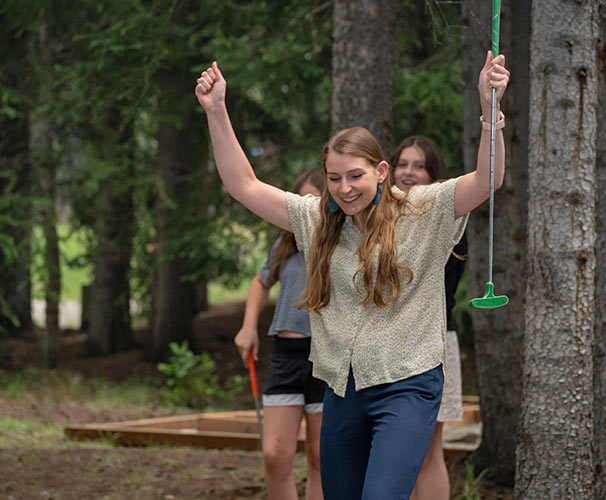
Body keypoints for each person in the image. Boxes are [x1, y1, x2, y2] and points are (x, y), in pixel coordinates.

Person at [195, 51, 509, 500]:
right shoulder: (317, 219)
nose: (345, 188)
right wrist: (217, 111)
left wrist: (489, 109)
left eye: (356, 176)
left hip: (408, 385)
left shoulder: (422, 210)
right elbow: (243, 185)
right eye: (335, 178)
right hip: (343, 390)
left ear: (381, 171)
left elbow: (488, 179)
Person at [234, 168, 326, 500]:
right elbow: (261, 282)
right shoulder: (284, 244)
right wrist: (248, 327)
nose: (305, 207)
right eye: (299, 199)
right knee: (274, 455)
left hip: (325, 358)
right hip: (285, 356)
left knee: (320, 457)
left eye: (313, 200)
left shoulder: (338, 244)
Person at [390, 136, 468, 500]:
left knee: (427, 454)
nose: (408, 172)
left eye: (418, 166)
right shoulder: (380, 216)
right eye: (403, 164)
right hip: (387, 347)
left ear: (433, 173)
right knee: (398, 457)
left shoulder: (446, 217)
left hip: (431, 342)